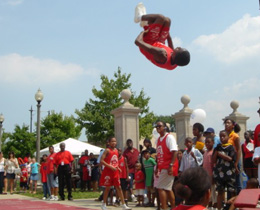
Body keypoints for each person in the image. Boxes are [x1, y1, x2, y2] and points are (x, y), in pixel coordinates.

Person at [134, 3, 190, 70]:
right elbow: (169, 41)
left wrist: (143, 33)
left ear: (175, 55)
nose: (178, 47)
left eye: (179, 49)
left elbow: (137, 42)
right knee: (167, 20)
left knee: (161, 18)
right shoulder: (175, 63)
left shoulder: (161, 54)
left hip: (147, 42)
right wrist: (164, 29)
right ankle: (147, 24)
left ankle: (139, 18)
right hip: (159, 43)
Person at [99, 136, 131, 210]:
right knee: (107, 188)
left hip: (115, 171)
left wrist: (118, 167)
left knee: (119, 187)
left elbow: (115, 161)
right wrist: (110, 167)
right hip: (108, 171)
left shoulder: (116, 150)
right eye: (112, 141)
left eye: (115, 141)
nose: (114, 143)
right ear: (109, 142)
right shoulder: (107, 150)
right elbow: (102, 160)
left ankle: (123, 204)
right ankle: (103, 204)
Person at [155, 121, 178, 210]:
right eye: (156, 126)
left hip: (168, 166)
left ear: (164, 127)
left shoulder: (169, 137)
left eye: (160, 126)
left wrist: (171, 165)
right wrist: (157, 167)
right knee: (167, 189)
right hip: (163, 166)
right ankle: (173, 207)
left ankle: (164, 207)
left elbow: (175, 151)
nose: (158, 128)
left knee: (160, 188)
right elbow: (159, 154)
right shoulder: (158, 140)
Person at [213, 130, 236, 210]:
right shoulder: (217, 148)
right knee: (220, 192)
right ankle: (220, 208)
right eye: (220, 136)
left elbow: (230, 158)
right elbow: (213, 160)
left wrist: (220, 154)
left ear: (228, 137)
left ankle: (232, 208)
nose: (222, 138)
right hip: (219, 173)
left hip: (229, 173)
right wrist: (216, 151)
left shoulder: (231, 147)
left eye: (224, 136)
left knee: (231, 191)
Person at [224, 118, 242, 195]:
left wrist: (236, 163)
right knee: (229, 182)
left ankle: (240, 200)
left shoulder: (235, 136)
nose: (226, 124)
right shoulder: (225, 136)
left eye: (228, 123)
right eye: (225, 123)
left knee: (237, 182)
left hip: (235, 161)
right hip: (228, 161)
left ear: (233, 126)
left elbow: (239, 150)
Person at [202, 136, 217, 209]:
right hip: (206, 175)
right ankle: (210, 203)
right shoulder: (205, 153)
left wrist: (214, 175)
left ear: (213, 143)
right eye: (206, 142)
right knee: (208, 190)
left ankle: (215, 203)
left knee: (213, 190)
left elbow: (214, 165)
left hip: (212, 174)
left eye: (209, 142)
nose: (207, 144)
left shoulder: (213, 153)